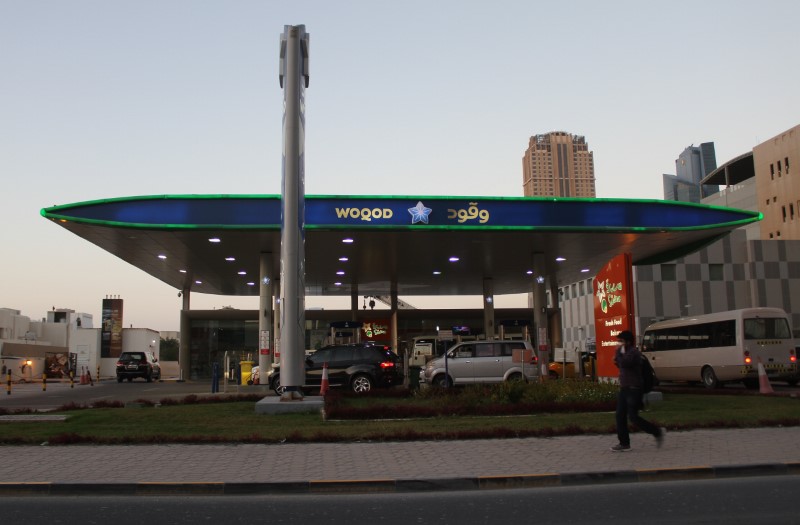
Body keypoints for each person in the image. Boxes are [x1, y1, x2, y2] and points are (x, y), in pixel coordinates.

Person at [610, 330, 664, 452]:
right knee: (620, 416)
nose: (618, 343)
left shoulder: (633, 352)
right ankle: (624, 443)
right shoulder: (624, 352)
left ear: (628, 342)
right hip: (624, 389)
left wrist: (618, 354)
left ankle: (656, 431)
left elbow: (624, 363)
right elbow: (621, 365)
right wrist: (618, 355)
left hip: (634, 389)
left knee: (633, 417)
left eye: (621, 341)